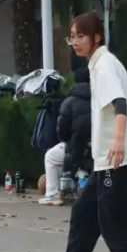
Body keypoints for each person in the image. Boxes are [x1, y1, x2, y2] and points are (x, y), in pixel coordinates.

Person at [38, 12, 127, 252]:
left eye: (81, 36)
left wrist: (118, 140)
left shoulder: (104, 66)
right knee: (83, 214)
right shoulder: (98, 64)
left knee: (111, 220)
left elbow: (120, 104)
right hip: (106, 162)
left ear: (96, 37)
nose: (75, 42)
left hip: (117, 162)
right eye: (72, 36)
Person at [40, 68, 92, 206]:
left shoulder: (69, 102)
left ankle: (53, 194)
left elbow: (62, 131)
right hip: (98, 147)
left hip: (76, 148)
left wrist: (69, 139)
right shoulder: (100, 98)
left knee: (51, 157)